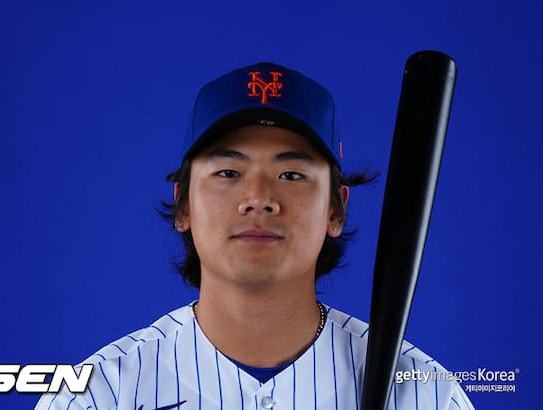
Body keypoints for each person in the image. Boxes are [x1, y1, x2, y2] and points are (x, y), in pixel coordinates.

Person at [36, 62, 474, 409]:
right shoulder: (99, 395)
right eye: (228, 172)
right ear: (183, 205)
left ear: (336, 210)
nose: (259, 199)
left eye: (291, 174)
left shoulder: (425, 397)